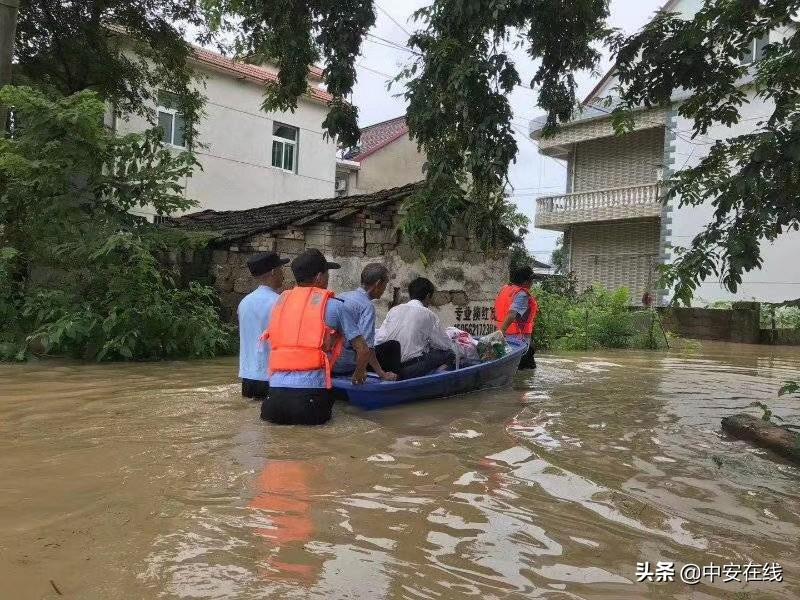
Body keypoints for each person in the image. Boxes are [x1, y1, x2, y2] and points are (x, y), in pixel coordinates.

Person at [261, 249, 365, 425]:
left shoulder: (280, 303)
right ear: (319, 277)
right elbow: (363, 348)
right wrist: (359, 374)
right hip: (309, 399)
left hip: (273, 399)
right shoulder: (335, 306)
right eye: (327, 274)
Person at [375, 277, 455, 380]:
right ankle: (435, 378)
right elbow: (445, 344)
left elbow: (379, 339)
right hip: (408, 369)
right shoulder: (428, 314)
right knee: (450, 353)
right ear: (428, 296)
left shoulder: (394, 310)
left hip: (387, 366)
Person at [334, 263, 401, 384]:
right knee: (393, 346)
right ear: (378, 284)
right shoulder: (367, 306)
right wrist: (381, 373)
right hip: (344, 364)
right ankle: (393, 382)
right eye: (385, 285)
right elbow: (367, 349)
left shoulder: (342, 295)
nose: (385, 289)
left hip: (330, 360)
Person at [238, 251, 289, 399]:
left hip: (247, 376)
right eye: (281, 270)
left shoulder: (244, 303)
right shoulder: (280, 302)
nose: (283, 275)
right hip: (271, 376)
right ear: (273, 272)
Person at [495, 265, 540, 369]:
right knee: (523, 373)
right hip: (518, 342)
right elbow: (512, 314)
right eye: (531, 280)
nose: (532, 283)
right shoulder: (522, 295)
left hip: (507, 339)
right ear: (525, 282)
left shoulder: (506, 289)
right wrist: (500, 333)